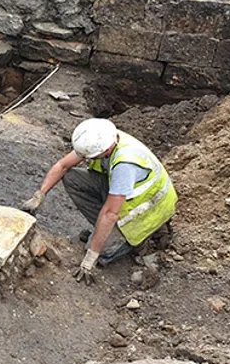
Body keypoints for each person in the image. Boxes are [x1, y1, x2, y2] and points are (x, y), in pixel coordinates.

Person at [21, 118, 177, 284]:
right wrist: (39, 195)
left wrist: (90, 259)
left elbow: (110, 213)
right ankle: (105, 233)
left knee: (102, 252)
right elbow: (62, 166)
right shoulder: (102, 138)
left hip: (147, 210)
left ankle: (139, 241)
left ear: (105, 150)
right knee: (72, 178)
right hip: (121, 193)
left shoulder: (125, 164)